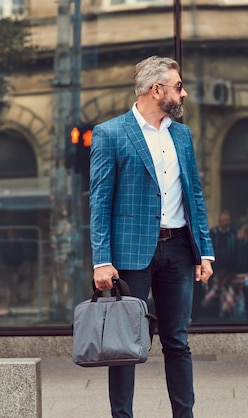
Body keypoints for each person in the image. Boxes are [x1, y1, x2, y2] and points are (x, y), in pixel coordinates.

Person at [89, 55, 215, 418]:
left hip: (177, 249)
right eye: (178, 86)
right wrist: (102, 259)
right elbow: (99, 202)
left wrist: (204, 251)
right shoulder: (110, 133)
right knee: (125, 345)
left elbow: (195, 195)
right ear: (155, 89)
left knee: (178, 341)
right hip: (130, 253)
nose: (184, 93)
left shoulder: (182, 134)